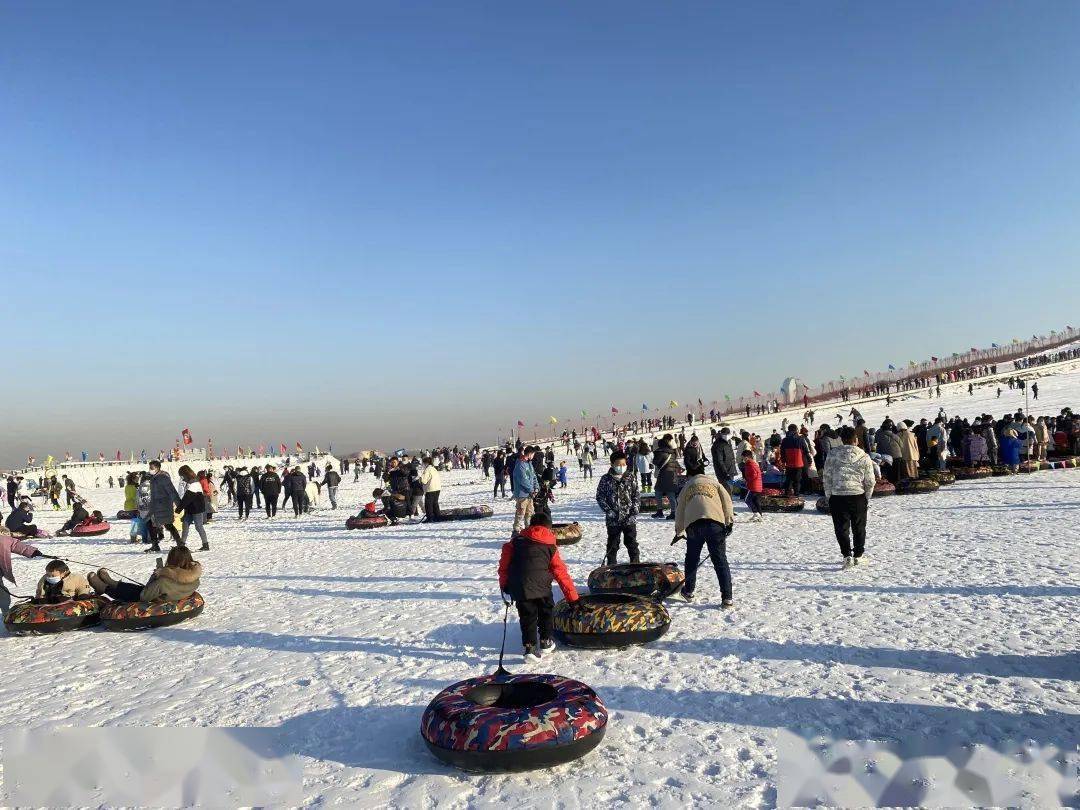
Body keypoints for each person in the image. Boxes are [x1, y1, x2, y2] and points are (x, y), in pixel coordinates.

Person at [498, 513, 579, 662]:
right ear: (548, 528)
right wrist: (573, 598)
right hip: (543, 587)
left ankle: (530, 647)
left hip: (520, 587)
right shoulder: (550, 546)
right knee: (546, 612)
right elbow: (561, 573)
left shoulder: (514, 543)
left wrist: (504, 586)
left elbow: (503, 567)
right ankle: (546, 641)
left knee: (527, 615)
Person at [672, 469, 734, 606]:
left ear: (690, 475)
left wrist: (679, 530)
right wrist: (729, 522)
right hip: (715, 524)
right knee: (720, 560)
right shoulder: (715, 483)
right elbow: (727, 502)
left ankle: (688, 591)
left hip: (694, 525)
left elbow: (680, 509)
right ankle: (727, 597)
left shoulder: (687, 486)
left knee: (692, 559)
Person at [822, 426, 876, 569]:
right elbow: (870, 481)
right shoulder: (864, 456)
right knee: (859, 527)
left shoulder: (832, 455)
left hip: (837, 496)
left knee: (841, 528)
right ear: (856, 440)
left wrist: (829, 495)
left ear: (842, 440)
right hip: (858, 496)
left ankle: (846, 556)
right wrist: (867, 496)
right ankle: (858, 555)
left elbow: (826, 477)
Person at [88, 545, 202, 603]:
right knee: (135, 588)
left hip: (149, 599)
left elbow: (145, 595)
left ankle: (105, 588)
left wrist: (156, 575)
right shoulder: (194, 578)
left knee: (133, 592)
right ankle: (111, 582)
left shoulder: (163, 581)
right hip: (166, 594)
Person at [595, 451, 640, 565]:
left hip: (629, 518)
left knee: (631, 543)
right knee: (612, 545)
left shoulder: (630, 477)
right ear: (612, 465)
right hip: (613, 519)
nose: (621, 467)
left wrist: (634, 510)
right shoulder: (605, 479)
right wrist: (608, 510)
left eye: (623, 464)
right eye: (618, 465)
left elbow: (636, 495)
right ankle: (611, 567)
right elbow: (600, 496)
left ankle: (635, 566)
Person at [1, 529, 45, 614]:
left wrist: (32, 551)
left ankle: (6, 612)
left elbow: (14, 544)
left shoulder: (3, 539)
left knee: (3, 594)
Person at [146, 460, 182, 553]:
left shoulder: (163, 477)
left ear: (157, 468)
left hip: (164, 505)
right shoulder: (154, 477)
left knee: (167, 525)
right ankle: (155, 545)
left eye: (151, 468)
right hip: (156, 506)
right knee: (153, 524)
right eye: (149, 467)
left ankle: (179, 544)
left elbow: (172, 491)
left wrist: (179, 504)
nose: (150, 470)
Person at [177, 465, 210, 551]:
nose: (182, 478)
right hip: (189, 509)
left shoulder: (194, 484)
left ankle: (205, 544)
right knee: (185, 526)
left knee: (198, 526)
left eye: (181, 476)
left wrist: (179, 509)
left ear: (186, 474)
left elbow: (187, 498)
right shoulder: (190, 483)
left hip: (196, 509)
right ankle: (182, 545)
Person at [651, 435, 682, 520]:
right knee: (671, 495)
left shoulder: (660, 452)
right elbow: (675, 463)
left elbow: (655, 462)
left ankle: (660, 511)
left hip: (663, 475)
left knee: (658, 492)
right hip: (672, 475)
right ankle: (674, 512)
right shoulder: (672, 452)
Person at [511, 447, 539, 534]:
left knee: (529, 513)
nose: (533, 456)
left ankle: (528, 530)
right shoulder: (520, 464)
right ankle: (516, 531)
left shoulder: (529, 464)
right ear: (529, 454)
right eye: (533, 454)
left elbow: (533, 476)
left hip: (529, 495)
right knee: (520, 513)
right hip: (522, 494)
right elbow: (523, 480)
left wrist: (536, 487)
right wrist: (531, 490)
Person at [780, 424, 806, 496]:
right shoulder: (800, 439)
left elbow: (782, 452)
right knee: (797, 480)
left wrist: (783, 461)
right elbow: (805, 450)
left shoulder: (785, 440)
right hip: (799, 462)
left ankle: (787, 493)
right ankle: (796, 494)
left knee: (788, 478)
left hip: (788, 462)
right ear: (796, 429)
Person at [711, 428, 737, 494]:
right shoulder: (718, 445)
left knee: (730, 491)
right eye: (725, 434)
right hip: (723, 474)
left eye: (728, 434)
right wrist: (725, 473)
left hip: (730, 471)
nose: (727, 435)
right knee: (726, 492)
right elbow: (720, 461)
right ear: (721, 434)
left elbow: (731, 457)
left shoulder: (728, 442)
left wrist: (733, 470)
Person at [740, 450, 764, 521]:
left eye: (743, 457)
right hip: (757, 485)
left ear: (747, 457)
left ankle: (756, 513)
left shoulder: (750, 464)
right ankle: (759, 515)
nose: (743, 459)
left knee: (747, 499)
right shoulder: (752, 463)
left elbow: (754, 474)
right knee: (755, 501)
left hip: (754, 486)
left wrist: (747, 480)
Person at [421, 456, 441, 521]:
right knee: (435, 503)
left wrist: (419, 479)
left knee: (428, 504)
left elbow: (424, 480)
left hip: (430, 489)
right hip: (437, 488)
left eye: (423, 463)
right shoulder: (433, 468)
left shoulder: (427, 470)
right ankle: (437, 516)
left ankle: (430, 518)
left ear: (425, 463)